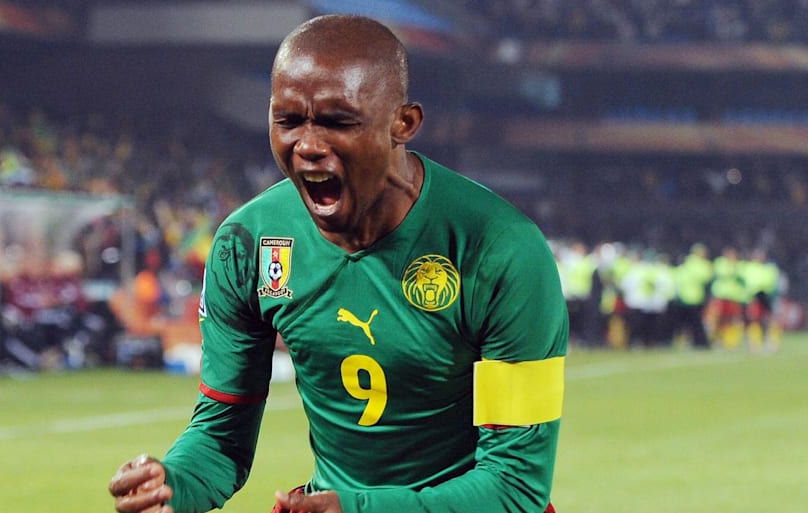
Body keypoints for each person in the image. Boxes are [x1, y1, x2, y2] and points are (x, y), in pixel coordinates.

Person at [109, 14, 568, 513]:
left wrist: (360, 508)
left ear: (404, 123)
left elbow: (515, 486)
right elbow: (221, 438)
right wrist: (175, 486)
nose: (306, 145)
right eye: (287, 120)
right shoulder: (248, 244)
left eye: (337, 122)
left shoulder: (501, 250)